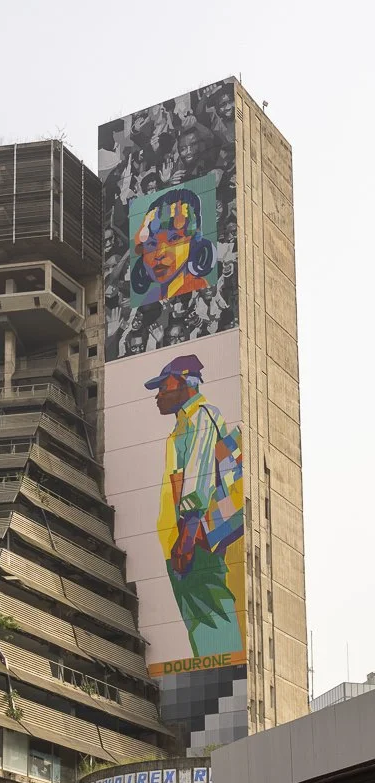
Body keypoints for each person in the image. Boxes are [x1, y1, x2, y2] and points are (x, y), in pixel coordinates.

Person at [144, 355, 244, 658]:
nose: (158, 395)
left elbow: (198, 481)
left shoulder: (201, 416)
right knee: (202, 622)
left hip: (194, 542)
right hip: (185, 540)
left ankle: (223, 681)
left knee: (211, 621)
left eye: (163, 386)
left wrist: (185, 541)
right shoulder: (185, 423)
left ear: (185, 382)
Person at [130, 188, 216, 306]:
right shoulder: (153, 297)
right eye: (152, 244)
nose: (159, 254)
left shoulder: (199, 289)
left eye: (174, 239)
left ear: (194, 242)